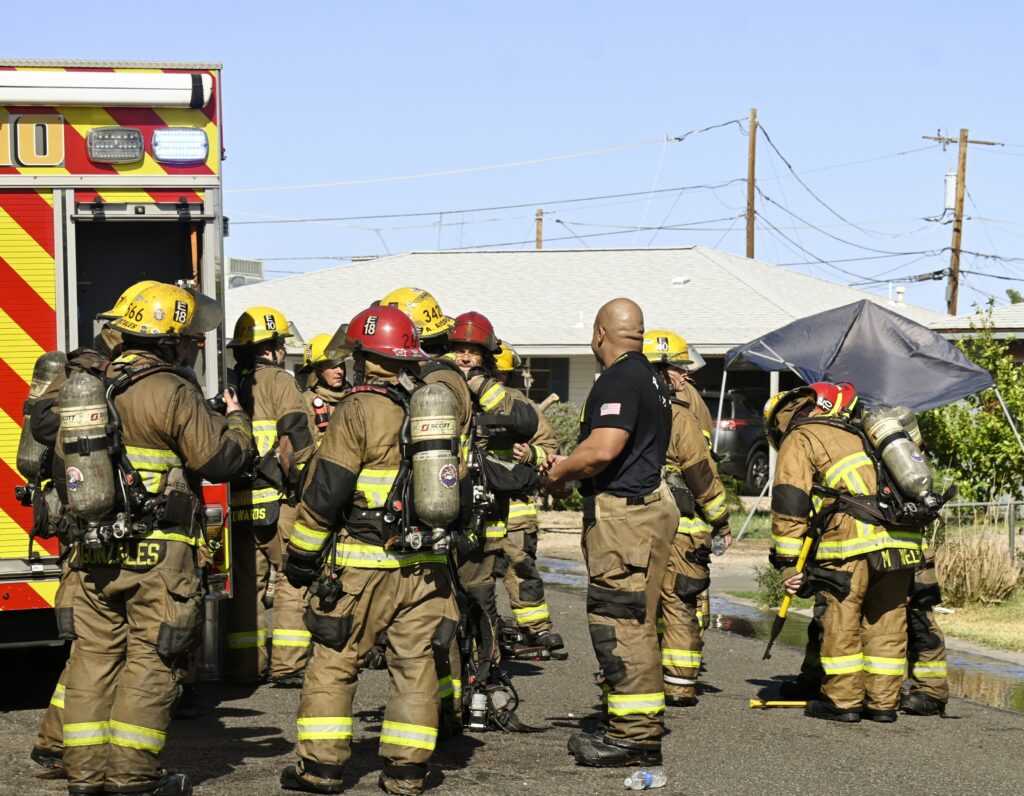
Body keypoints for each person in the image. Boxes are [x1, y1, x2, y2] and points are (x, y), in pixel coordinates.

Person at [59, 282, 253, 795]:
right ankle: (131, 776)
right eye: (189, 339)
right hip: (159, 555)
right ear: (169, 341)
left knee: (93, 660)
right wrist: (237, 422)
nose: (192, 348)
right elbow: (218, 461)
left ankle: (84, 775)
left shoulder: (87, 386)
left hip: (93, 551)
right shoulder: (171, 388)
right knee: (152, 660)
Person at [279, 306, 461, 796]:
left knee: (334, 659)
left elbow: (327, 491)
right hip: (427, 566)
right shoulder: (428, 407)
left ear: (364, 357)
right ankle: (407, 774)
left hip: (363, 565)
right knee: (415, 664)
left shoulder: (358, 408)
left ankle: (321, 769)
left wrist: (301, 556)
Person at [542, 298, 678, 768]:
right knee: (639, 619)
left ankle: (633, 737)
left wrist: (560, 471)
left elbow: (603, 449)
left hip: (625, 520)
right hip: (648, 510)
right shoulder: (653, 378)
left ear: (600, 333)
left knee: (621, 624)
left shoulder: (618, 379)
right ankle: (630, 723)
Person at [27, 283, 144, 775]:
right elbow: (48, 429)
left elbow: (43, 430)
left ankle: (59, 741)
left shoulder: (88, 375)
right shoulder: (93, 377)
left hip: (82, 531)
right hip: (90, 532)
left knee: (91, 651)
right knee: (93, 653)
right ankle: (62, 744)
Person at [766, 382, 926, 723]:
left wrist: (787, 564)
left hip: (851, 541)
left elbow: (790, 500)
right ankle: (882, 703)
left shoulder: (802, 435)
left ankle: (843, 701)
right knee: (887, 622)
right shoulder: (862, 433)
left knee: (842, 617)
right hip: (902, 539)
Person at [226, 306, 317, 686]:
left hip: (237, 501)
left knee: (245, 584)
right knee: (291, 577)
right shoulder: (280, 381)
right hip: (278, 500)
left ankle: (245, 666)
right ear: (270, 348)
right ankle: (287, 665)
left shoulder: (231, 383)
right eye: (281, 344)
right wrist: (308, 485)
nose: (283, 351)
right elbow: (296, 439)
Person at [447, 312, 542, 670]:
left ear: (486, 358)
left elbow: (522, 419)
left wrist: (480, 385)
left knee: (479, 596)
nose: (465, 357)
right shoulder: (436, 385)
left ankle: (485, 673)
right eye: (459, 349)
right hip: (436, 506)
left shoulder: (492, 392)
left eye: (473, 351)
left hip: (480, 514)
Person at [643, 329, 731, 707]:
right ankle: (678, 683)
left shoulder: (620, 407)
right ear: (662, 371)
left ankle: (637, 679)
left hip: (630, 524)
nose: (686, 375)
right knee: (680, 602)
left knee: (636, 602)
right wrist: (721, 521)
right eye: (680, 368)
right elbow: (701, 471)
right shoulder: (679, 413)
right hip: (682, 524)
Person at [490, 342, 565, 653]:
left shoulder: (521, 405)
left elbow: (551, 450)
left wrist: (532, 454)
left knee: (521, 568)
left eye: (499, 375)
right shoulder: (458, 398)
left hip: (515, 506)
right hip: (474, 502)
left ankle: (536, 628)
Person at [299, 333, 348, 444]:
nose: (340, 371)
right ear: (317, 370)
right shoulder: (304, 402)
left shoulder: (351, 399)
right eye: (332, 365)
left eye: (341, 365)